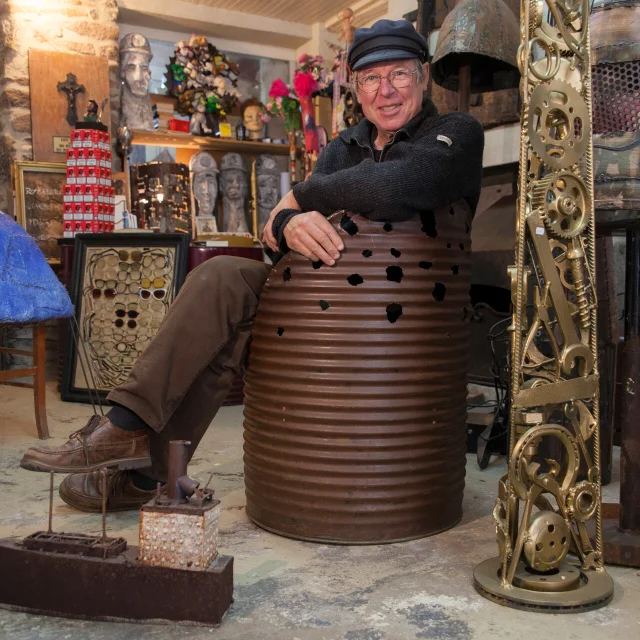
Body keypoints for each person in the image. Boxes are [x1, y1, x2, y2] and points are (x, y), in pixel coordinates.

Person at [21, 19, 484, 513]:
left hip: (395, 317)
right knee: (222, 278)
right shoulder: (341, 148)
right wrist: (285, 225)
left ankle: (145, 468)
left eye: (399, 75)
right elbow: (274, 238)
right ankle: (127, 430)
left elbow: (400, 186)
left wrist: (301, 195)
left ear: (424, 76)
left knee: (240, 333)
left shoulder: (455, 133)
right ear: (355, 87)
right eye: (371, 78)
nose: (385, 91)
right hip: (314, 295)